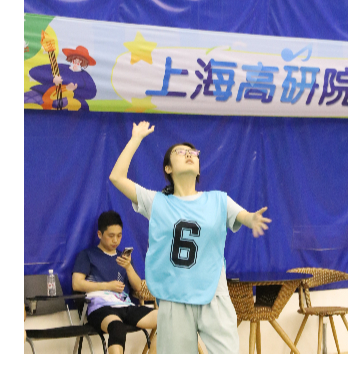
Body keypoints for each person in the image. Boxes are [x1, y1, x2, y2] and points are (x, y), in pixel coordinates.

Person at [108, 121, 271, 355]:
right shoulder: (157, 202)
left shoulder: (218, 200)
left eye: (193, 153)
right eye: (180, 152)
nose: (188, 155)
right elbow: (117, 177)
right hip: (174, 298)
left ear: (199, 169)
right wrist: (136, 138)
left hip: (213, 294)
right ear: (168, 168)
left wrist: (251, 219)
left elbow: (243, 215)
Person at [72, 211, 157, 354]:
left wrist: (128, 267)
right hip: (100, 307)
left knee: (166, 320)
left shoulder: (123, 257)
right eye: (111, 236)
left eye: (119, 235)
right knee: (117, 328)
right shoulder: (87, 255)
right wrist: (107, 286)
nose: (115, 240)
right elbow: (77, 284)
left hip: (125, 305)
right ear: (100, 234)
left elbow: (138, 287)